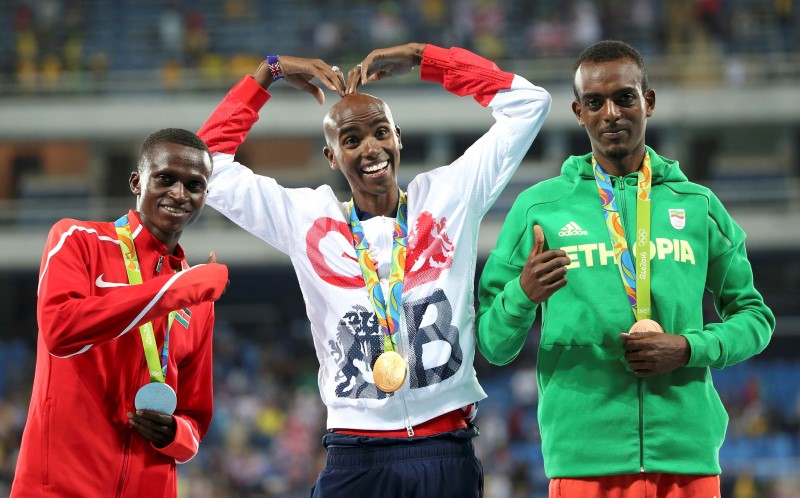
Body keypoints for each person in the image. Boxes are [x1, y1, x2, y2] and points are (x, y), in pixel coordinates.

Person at [197, 43, 551, 496]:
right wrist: (270, 72)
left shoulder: (449, 196)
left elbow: (529, 104)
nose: (371, 148)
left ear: (398, 137)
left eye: (380, 132)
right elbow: (207, 166)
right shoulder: (307, 219)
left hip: (445, 446)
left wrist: (423, 58)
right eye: (351, 140)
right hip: (354, 451)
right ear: (332, 157)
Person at [476, 40, 775, 498]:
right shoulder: (540, 209)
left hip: (686, 457)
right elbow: (493, 344)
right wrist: (522, 294)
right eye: (595, 103)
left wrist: (689, 348)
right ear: (579, 112)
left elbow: (755, 319)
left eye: (624, 97)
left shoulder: (697, 206)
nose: (610, 113)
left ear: (648, 102)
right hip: (583, 463)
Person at [11, 128, 229, 497]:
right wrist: (176, 291)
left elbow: (195, 420)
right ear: (136, 182)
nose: (179, 194)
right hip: (60, 487)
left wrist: (175, 434)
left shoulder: (197, 299)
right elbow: (60, 331)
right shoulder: (77, 240)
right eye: (165, 178)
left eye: (194, 185)